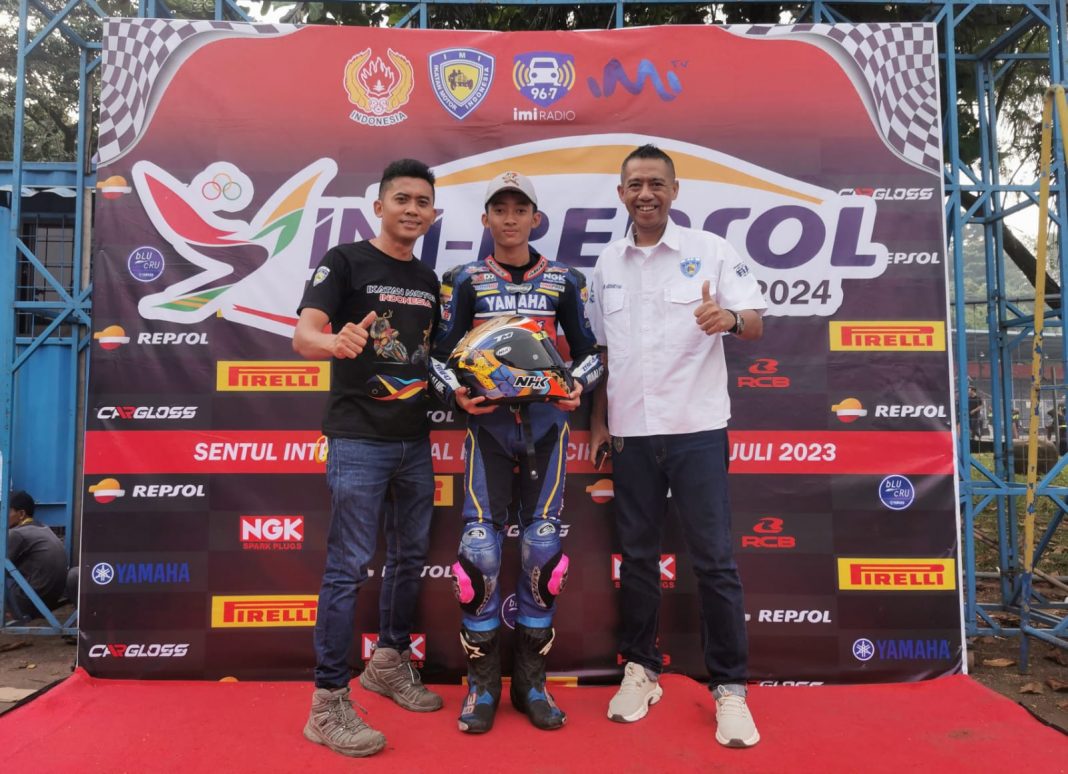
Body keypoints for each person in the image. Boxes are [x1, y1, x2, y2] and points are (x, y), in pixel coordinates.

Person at [585, 144, 766, 748]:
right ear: (621, 194)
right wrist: (598, 422)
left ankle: (730, 689)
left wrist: (729, 321)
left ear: (674, 190)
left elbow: (755, 320)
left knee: (714, 561)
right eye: (635, 184)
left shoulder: (711, 250)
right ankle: (641, 670)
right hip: (631, 433)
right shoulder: (606, 263)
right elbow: (603, 352)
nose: (646, 194)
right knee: (637, 560)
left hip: (697, 428)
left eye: (656, 184)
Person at [429, 171, 603, 734]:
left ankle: (531, 685)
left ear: (535, 217)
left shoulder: (565, 280)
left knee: (543, 548)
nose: (509, 218)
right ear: (485, 218)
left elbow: (590, 353)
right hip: (488, 429)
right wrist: (455, 395)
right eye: (499, 209)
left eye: (519, 208)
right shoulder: (463, 279)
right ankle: (481, 688)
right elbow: (437, 358)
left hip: (548, 427)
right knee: (479, 551)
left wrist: (578, 385)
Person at [293, 158, 443, 759]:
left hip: (415, 441)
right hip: (358, 439)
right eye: (402, 199)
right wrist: (335, 340)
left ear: (433, 214)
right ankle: (327, 702)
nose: (412, 209)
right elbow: (303, 335)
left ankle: (387, 661)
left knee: (409, 558)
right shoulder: (345, 261)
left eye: (422, 202)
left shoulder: (429, 280)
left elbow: (430, 357)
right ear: (378, 206)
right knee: (348, 566)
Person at [5, 491, 67, 623]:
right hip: (51, 599)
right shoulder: (44, 528)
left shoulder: (17, 534)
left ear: (21, 514)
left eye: (5, 511)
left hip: (30, 602)